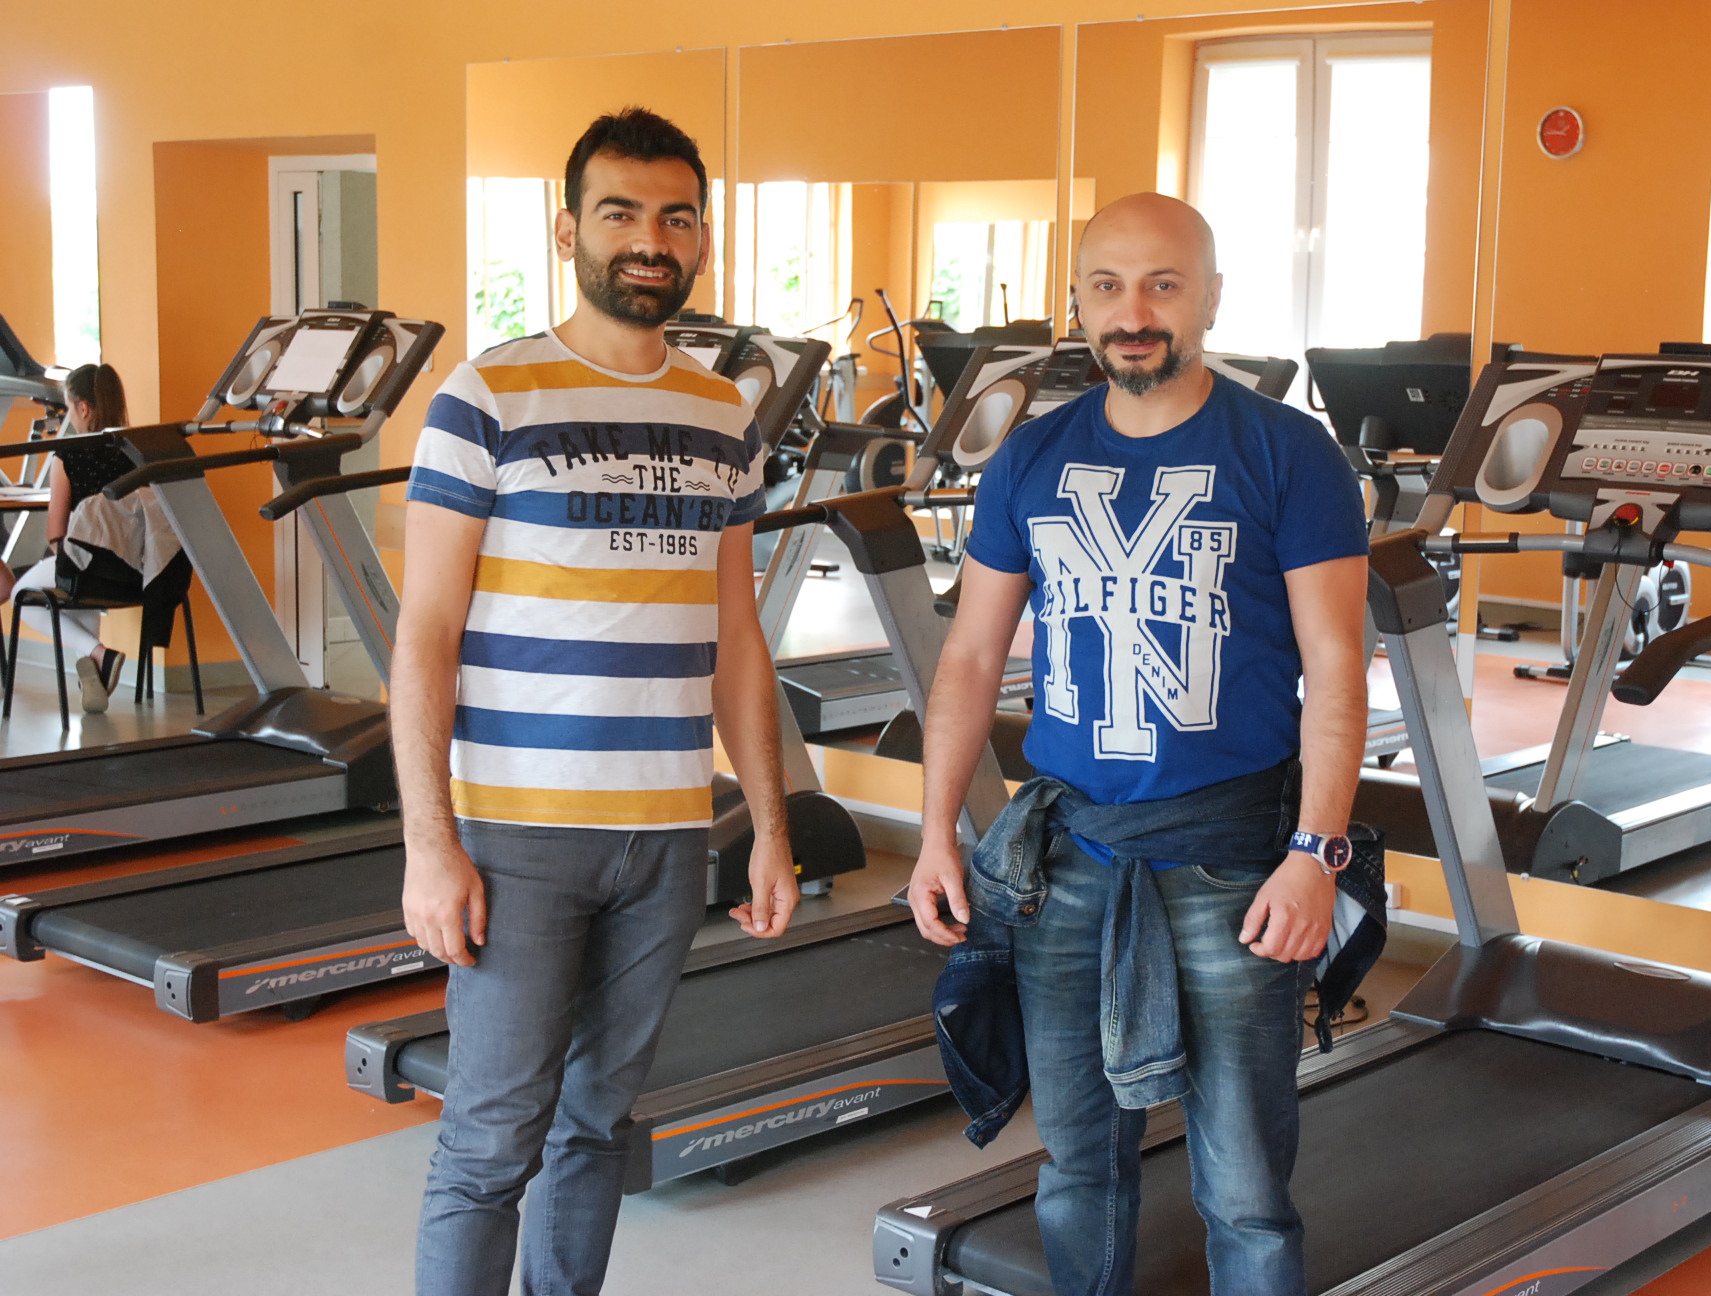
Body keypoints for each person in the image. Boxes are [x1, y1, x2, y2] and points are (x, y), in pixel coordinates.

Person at [908, 192, 1370, 1296]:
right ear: (1077, 300)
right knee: (1076, 1166)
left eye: (1164, 285)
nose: (1134, 313)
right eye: (1108, 286)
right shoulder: (1032, 457)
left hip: (1233, 858)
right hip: (1065, 862)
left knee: (1246, 1189)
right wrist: (934, 836)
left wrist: (1316, 853)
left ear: (1210, 297)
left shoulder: (1287, 453)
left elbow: (1337, 668)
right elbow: (969, 659)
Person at [395, 107, 798, 1296]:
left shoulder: (723, 415)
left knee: (597, 1127)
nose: (649, 240)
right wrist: (430, 846)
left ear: (701, 238)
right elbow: (424, 636)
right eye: (620, 212)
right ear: (568, 229)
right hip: (519, 835)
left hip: (666, 832)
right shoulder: (487, 396)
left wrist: (768, 825)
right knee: (491, 1140)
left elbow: (736, 639)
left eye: (675, 218)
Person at [0, 362, 180, 713]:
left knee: (24, 592)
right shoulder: (139, 452)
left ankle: (100, 654)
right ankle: (94, 674)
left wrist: (65, 557)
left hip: (91, 570)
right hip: (144, 576)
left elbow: (56, 533)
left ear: (83, 408)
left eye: (69, 408)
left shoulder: (68, 455)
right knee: (79, 587)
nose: (70, 416)